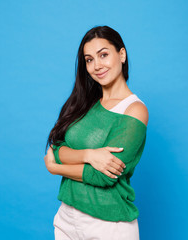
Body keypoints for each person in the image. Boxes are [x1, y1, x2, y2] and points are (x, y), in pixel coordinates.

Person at [44, 25, 149, 240]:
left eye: (103, 55)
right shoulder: (85, 103)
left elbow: (102, 176)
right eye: (89, 59)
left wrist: (56, 169)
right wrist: (89, 155)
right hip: (67, 217)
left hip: (108, 225)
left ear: (121, 54)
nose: (96, 65)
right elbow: (57, 148)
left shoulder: (134, 110)